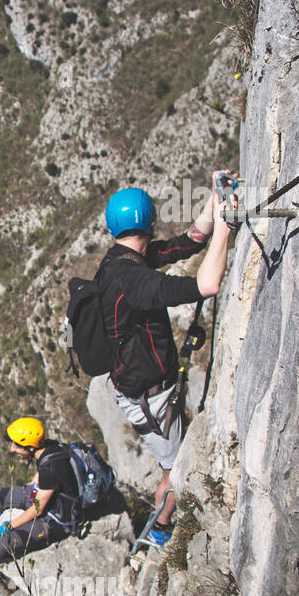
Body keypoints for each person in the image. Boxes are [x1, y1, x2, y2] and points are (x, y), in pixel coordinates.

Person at [96, 173, 237, 546]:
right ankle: (160, 528)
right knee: (173, 474)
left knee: (172, 462)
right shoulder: (136, 281)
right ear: (150, 220)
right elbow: (205, 286)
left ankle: (162, 521)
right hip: (150, 398)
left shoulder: (123, 259)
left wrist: (214, 203)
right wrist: (225, 231)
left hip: (147, 388)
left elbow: (189, 242)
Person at [0, 417, 82, 566]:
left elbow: (38, 509)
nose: (12, 449)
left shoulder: (51, 468)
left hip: (55, 521)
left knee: (3, 544)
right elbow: (41, 473)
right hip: (44, 495)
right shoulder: (50, 447)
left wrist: (10, 525)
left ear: (30, 447)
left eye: (17, 445)